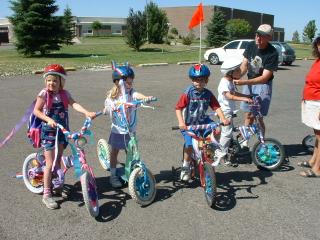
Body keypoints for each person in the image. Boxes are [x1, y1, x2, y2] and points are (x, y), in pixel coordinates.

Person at [33, 64, 96, 209]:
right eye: (48, 80)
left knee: (58, 160)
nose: (51, 83)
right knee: (50, 163)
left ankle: (57, 184)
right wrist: (48, 119)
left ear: (61, 82)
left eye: (55, 80)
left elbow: (74, 104)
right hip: (49, 132)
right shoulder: (44, 94)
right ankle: (47, 194)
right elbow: (36, 111)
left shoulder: (64, 94)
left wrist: (86, 112)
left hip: (62, 132)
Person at [175, 63, 229, 181]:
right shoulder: (188, 93)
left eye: (202, 79)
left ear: (206, 80)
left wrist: (223, 118)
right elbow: (178, 108)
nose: (198, 82)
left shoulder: (208, 93)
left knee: (217, 128)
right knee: (189, 145)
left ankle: (212, 149)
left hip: (202, 121)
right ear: (192, 80)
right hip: (189, 123)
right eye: (195, 80)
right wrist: (181, 123)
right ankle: (185, 166)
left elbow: (216, 107)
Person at [104, 62, 153, 188]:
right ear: (118, 82)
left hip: (130, 129)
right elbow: (108, 106)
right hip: (118, 130)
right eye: (128, 82)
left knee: (130, 152)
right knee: (114, 152)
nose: (130, 85)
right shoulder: (112, 96)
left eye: (131, 82)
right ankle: (113, 175)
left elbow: (137, 95)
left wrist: (145, 98)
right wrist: (111, 107)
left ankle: (131, 172)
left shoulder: (132, 93)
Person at [233, 24, 278, 145]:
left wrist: (243, 82)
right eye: (257, 35)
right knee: (248, 114)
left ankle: (262, 145)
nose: (258, 38)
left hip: (263, 86)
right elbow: (244, 65)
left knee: (258, 116)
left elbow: (264, 78)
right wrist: (236, 75)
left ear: (269, 37)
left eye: (262, 36)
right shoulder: (251, 45)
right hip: (249, 83)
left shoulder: (272, 53)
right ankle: (244, 142)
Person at [217, 58, 253, 164]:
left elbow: (235, 94)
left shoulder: (230, 81)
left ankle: (228, 149)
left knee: (229, 131)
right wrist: (245, 99)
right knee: (226, 133)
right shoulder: (224, 82)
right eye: (237, 70)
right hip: (224, 112)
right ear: (230, 73)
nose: (240, 72)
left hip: (229, 111)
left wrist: (246, 96)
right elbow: (229, 96)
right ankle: (221, 154)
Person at [299, 36, 320, 177]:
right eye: (318, 45)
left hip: (318, 103)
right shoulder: (318, 61)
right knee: (317, 135)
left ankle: (317, 169)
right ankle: (313, 160)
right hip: (311, 101)